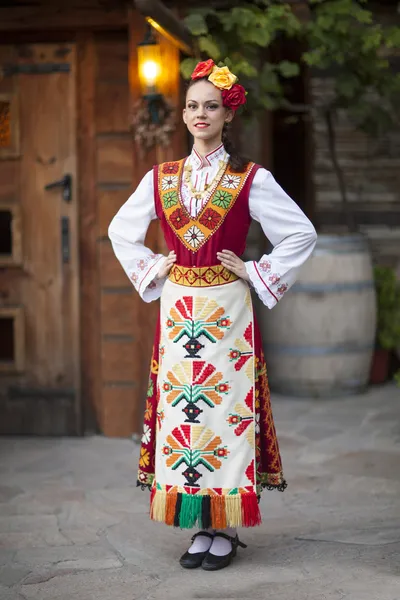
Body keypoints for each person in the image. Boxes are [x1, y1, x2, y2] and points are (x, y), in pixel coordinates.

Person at [108, 59, 317, 571]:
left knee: (225, 412)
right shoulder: (161, 177)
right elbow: (120, 231)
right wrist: (157, 266)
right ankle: (200, 525)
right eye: (194, 106)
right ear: (182, 116)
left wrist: (254, 271)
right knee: (184, 415)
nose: (202, 114)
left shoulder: (250, 178)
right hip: (179, 311)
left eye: (212, 106)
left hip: (228, 312)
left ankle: (223, 527)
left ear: (228, 116)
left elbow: (301, 232)